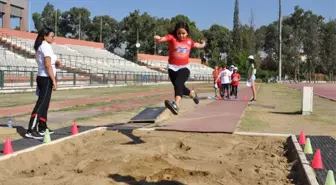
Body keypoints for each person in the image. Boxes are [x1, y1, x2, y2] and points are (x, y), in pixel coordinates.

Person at [154, 21, 206, 115]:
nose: (181, 35)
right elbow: (163, 39)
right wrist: (158, 39)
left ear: (187, 33)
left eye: (183, 33)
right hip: (172, 68)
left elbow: (198, 45)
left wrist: (203, 44)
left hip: (184, 68)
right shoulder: (172, 38)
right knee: (180, 87)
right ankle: (192, 94)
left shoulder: (189, 41)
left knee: (178, 84)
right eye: (179, 33)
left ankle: (176, 105)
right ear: (176, 32)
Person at [25, 28, 61, 140]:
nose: (53, 38)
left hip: (44, 77)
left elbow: (50, 63)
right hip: (45, 78)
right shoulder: (45, 46)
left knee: (45, 105)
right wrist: (53, 80)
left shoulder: (44, 46)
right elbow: (47, 65)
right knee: (41, 104)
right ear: (45, 36)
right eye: (51, 36)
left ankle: (42, 127)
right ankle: (31, 129)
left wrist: (57, 62)